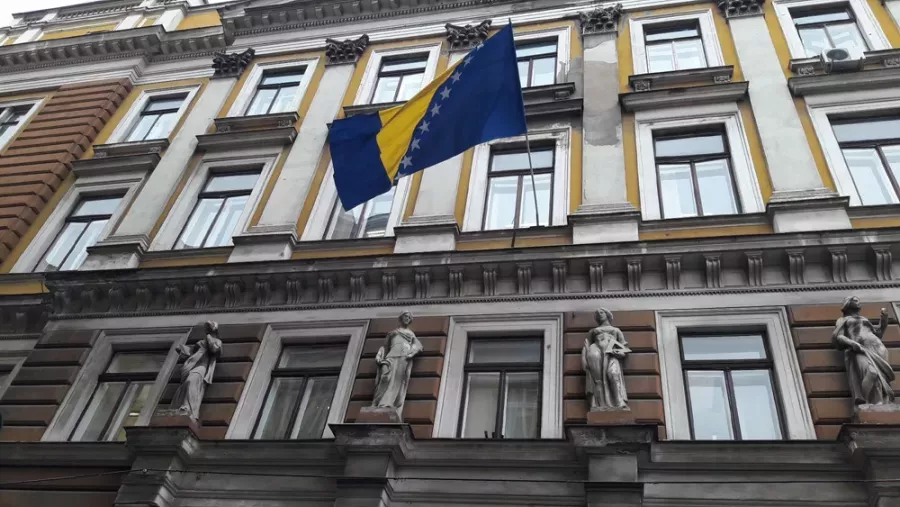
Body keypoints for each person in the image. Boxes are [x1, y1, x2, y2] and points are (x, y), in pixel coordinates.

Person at [832, 296, 894, 406]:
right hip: (860, 349)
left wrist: (884, 319)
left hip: (878, 347)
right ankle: (865, 402)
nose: (858, 301)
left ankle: (879, 402)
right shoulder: (843, 320)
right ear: (848, 303)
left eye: (858, 300)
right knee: (872, 373)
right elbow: (839, 337)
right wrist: (852, 343)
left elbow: (879, 333)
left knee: (880, 378)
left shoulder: (863, 318)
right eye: (855, 300)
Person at [171, 321, 223, 420]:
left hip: (202, 366)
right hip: (192, 364)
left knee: (190, 381)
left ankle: (189, 408)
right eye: (206, 328)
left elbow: (214, 350)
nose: (207, 330)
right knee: (186, 384)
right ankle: (183, 406)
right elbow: (192, 353)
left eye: (209, 328)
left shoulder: (217, 341)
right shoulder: (200, 341)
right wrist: (183, 350)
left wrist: (209, 338)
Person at [372, 311, 423, 410]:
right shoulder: (392, 333)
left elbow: (418, 346)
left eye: (409, 317)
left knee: (397, 381)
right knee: (385, 378)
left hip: (403, 357)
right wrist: (379, 355)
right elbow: (385, 347)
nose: (407, 318)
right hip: (390, 357)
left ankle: (387, 403)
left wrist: (412, 353)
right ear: (401, 318)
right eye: (406, 316)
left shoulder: (411, 334)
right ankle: (376, 402)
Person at [582, 308, 631, 410]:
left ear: (607, 314)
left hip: (611, 354)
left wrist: (619, 353)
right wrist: (584, 359)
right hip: (595, 351)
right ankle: (598, 404)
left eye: (601, 312)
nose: (599, 314)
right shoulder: (593, 331)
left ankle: (619, 401)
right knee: (597, 379)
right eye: (597, 313)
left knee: (613, 373)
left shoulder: (616, 330)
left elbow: (624, 347)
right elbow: (587, 345)